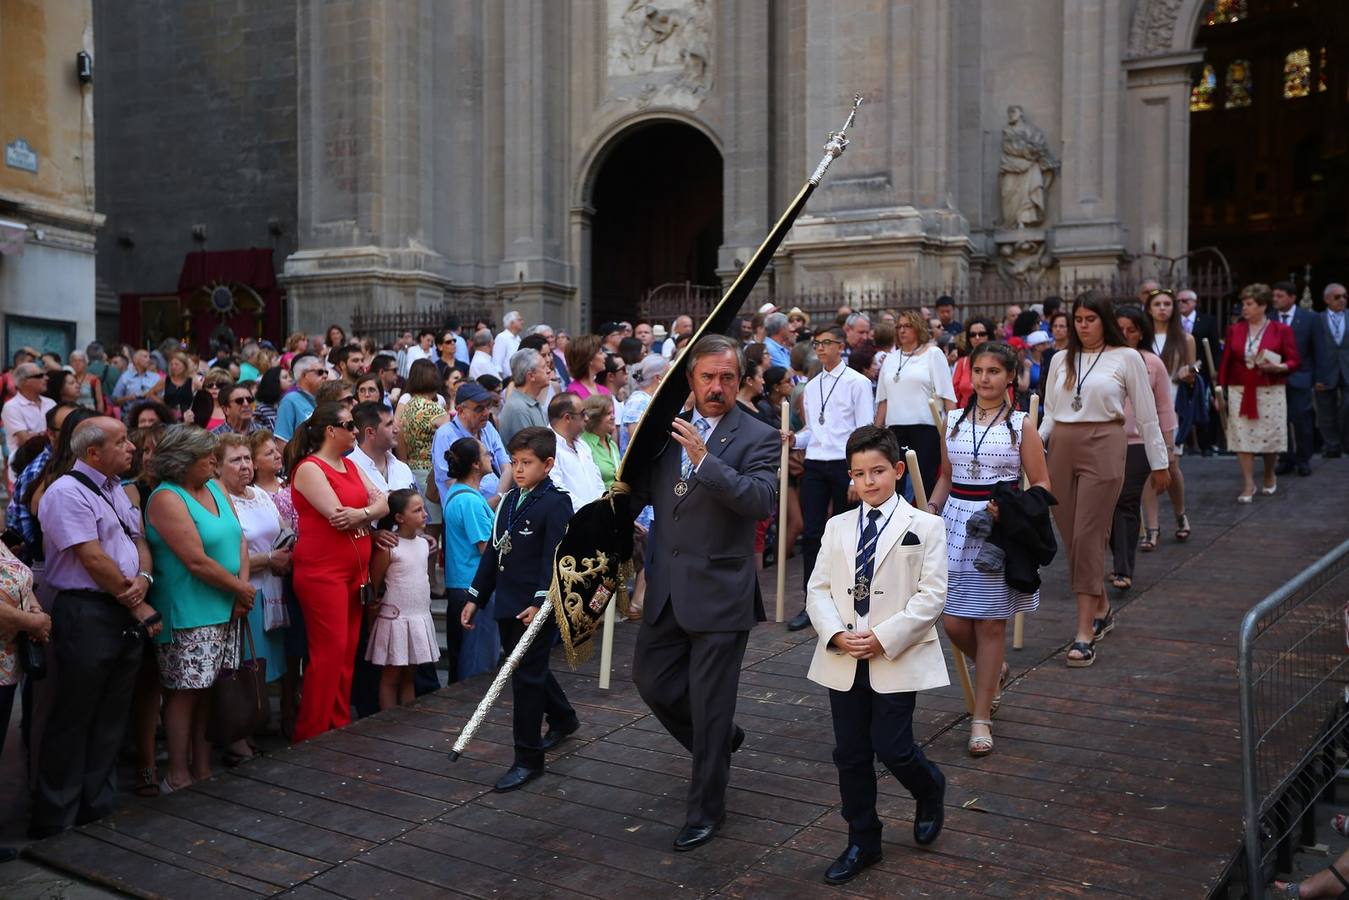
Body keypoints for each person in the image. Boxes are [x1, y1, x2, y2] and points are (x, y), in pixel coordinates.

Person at [629, 335, 780, 851]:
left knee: (711, 705)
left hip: (720, 591)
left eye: (727, 378)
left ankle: (705, 811)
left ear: (740, 381)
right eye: (707, 377)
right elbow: (638, 494)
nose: (717, 387)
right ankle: (719, 742)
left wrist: (704, 459)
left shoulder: (758, 434)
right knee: (650, 680)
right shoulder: (663, 430)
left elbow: (761, 501)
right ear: (689, 382)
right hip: (667, 589)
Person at [805, 425, 948, 884]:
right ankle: (862, 840)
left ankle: (929, 785)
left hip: (893, 653)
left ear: (898, 470)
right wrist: (834, 634)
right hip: (844, 655)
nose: (869, 482)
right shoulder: (837, 526)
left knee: (893, 747)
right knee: (850, 752)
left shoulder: (924, 526)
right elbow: (818, 589)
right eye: (860, 473)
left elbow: (931, 596)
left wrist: (884, 637)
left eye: (879, 471)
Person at [29, 417, 159, 836]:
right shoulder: (66, 492)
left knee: (110, 714)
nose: (131, 448)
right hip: (87, 610)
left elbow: (136, 540)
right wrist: (135, 600)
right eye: (121, 442)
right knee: (76, 713)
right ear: (92, 453)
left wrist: (144, 580)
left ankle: (97, 804)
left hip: (121, 606)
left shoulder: (116, 488)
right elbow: (91, 556)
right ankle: (57, 815)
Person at [929, 342, 1051, 755]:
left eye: (994, 371)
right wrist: (929, 510)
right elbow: (946, 475)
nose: (985, 378)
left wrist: (1011, 508)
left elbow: (1043, 485)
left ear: (1010, 377)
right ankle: (994, 667)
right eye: (978, 370)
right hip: (955, 525)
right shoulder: (952, 421)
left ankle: (980, 718)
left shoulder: (1022, 425)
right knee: (953, 622)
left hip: (1000, 529)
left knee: (991, 624)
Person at [1039, 293, 1169, 668]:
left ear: (1104, 320)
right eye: (1077, 318)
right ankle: (1102, 605)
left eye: (1090, 318)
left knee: (1089, 534)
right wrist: (1032, 448)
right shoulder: (1060, 358)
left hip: (1106, 440)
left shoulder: (1126, 357)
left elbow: (1146, 415)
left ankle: (1084, 631)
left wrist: (1159, 462)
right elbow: (1049, 413)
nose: (1082, 325)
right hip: (1062, 443)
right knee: (1069, 532)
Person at [462, 427, 577, 792]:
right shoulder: (510, 500)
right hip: (508, 604)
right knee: (527, 667)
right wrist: (475, 597)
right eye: (514, 462)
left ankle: (527, 759)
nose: (519, 469)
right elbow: (496, 551)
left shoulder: (556, 502)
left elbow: (556, 559)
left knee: (525, 680)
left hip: (535, 606)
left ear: (547, 464)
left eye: (527, 462)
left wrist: (540, 603)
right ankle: (563, 716)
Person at [143, 427, 252, 792]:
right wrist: (241, 589)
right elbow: (195, 560)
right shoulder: (165, 498)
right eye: (206, 455)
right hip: (188, 610)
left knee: (209, 690)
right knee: (184, 691)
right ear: (182, 460)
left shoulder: (215, 489)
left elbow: (239, 540)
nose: (213, 460)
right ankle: (177, 773)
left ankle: (203, 766)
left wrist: (241, 591)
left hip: (225, 606)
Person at [287, 403, 389, 742]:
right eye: (349, 425)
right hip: (322, 572)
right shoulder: (309, 468)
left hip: (353, 572)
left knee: (347, 652)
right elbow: (336, 515)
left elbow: (385, 501)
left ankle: (337, 723)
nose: (356, 431)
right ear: (331, 430)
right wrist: (367, 512)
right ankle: (311, 731)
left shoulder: (349, 464)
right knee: (328, 654)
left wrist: (362, 513)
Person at [787, 326, 874, 632]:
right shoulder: (812, 386)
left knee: (847, 535)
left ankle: (846, 599)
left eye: (826, 343)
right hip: (815, 464)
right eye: (817, 344)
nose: (820, 349)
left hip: (843, 465)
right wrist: (794, 440)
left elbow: (864, 431)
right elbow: (814, 430)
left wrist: (856, 476)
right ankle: (812, 602)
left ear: (840, 347)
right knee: (812, 534)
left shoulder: (858, 383)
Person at [215, 433, 290, 764]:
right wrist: (270, 559)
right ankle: (237, 736)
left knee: (267, 665)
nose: (244, 465)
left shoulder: (260, 493)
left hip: (274, 590)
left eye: (247, 458)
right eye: (236, 460)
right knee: (245, 666)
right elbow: (228, 554)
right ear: (217, 466)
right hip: (247, 591)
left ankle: (256, 723)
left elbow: (281, 529)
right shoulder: (217, 499)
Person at [1106, 307, 1177, 590]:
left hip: (1138, 442)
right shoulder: (1103, 362)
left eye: (1131, 330)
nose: (1125, 335)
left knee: (1126, 499)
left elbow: (1164, 408)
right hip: (1105, 442)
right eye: (1119, 329)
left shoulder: (1152, 363)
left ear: (1141, 332)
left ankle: (1124, 568)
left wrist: (1167, 450)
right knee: (1108, 503)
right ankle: (1118, 558)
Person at [1218, 283, 1300, 502]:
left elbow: (1294, 360)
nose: (1244, 308)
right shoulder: (1235, 329)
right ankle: (1248, 484)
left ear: (1263, 306)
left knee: (1269, 436)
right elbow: (1225, 361)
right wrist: (1220, 391)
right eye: (1243, 304)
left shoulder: (1281, 330)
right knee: (1242, 436)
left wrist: (1279, 367)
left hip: (1270, 389)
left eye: (1249, 304)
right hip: (1240, 389)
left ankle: (1268, 472)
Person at [367, 489, 439, 710]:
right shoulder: (390, 546)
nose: (424, 514)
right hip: (395, 620)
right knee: (391, 677)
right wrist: (371, 622)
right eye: (417, 510)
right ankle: (389, 720)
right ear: (399, 517)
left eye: (423, 509)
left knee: (410, 676)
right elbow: (375, 585)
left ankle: (407, 722)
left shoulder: (424, 543)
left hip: (418, 617)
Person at [875, 310, 956, 498]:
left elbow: (948, 398)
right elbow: (883, 401)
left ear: (918, 328)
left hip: (926, 429)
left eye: (907, 326)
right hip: (895, 429)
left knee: (924, 484)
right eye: (899, 327)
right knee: (895, 484)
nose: (902, 330)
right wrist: (875, 434)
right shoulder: (890, 359)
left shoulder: (933, 354)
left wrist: (952, 433)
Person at [441, 438, 498, 682]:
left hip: (460, 585)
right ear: (475, 464)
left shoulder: (457, 493)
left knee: (463, 656)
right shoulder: (471, 501)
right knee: (477, 662)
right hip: (474, 587)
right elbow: (488, 549)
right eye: (486, 454)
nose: (491, 458)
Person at [1142, 289, 1196, 547]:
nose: (1162, 308)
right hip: (1142, 406)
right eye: (1157, 304)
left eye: (1167, 304)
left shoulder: (1185, 339)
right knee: (1146, 469)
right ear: (1149, 308)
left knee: (1171, 465)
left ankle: (1180, 514)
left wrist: (1190, 373)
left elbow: (1193, 374)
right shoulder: (1140, 339)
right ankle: (1152, 528)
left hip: (1171, 406)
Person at [1272, 281, 1320, 477]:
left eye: (1280, 296)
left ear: (1292, 297)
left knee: (1301, 420)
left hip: (1301, 376)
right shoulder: (1269, 318)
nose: (1275, 299)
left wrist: (1319, 377)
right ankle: (1286, 458)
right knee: (1279, 420)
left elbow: (1318, 349)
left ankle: (1303, 459)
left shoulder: (1309, 318)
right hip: (1274, 378)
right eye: (1274, 296)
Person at [432, 382, 509, 502]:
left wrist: (498, 498)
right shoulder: (445, 435)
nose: (486, 413)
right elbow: (452, 482)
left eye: (487, 407)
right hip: (468, 511)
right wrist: (486, 507)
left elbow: (507, 468)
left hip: (495, 506)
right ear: (460, 411)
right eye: (479, 409)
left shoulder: (488, 427)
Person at [547, 392, 605, 511]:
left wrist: (604, 510)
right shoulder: (547, 447)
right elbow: (558, 491)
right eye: (583, 414)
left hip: (595, 520)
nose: (587, 418)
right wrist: (591, 513)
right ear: (567, 418)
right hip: (570, 523)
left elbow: (598, 483)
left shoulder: (583, 445)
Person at [1316, 283, 1349, 457]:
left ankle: (1345, 442)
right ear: (1327, 299)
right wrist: (1315, 375)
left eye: (1344, 296)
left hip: (1348, 369)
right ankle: (1332, 446)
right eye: (1337, 297)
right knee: (1325, 410)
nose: (1342, 300)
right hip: (1326, 370)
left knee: (1347, 406)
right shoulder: (1317, 319)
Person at [3, 363, 55, 463]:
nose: (46, 378)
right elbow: (25, 440)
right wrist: (52, 434)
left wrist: (36, 434)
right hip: (23, 467)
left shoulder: (51, 403)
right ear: (25, 381)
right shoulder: (11, 407)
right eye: (40, 376)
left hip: (51, 464)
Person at [499, 348, 551, 444]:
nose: (549, 370)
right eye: (544, 367)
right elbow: (530, 452)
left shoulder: (529, 402)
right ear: (531, 376)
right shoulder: (518, 409)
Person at [273, 354, 324, 445]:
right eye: (320, 372)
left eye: (326, 372)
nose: (324, 376)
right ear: (305, 375)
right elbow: (282, 441)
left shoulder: (324, 399)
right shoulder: (290, 400)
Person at [579, 393, 621, 490]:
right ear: (594, 418)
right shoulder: (583, 445)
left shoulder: (611, 443)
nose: (613, 417)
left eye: (613, 413)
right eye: (608, 414)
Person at [952, 319, 995, 407]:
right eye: (972, 335)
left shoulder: (1000, 361)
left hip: (995, 416)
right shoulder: (962, 362)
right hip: (965, 416)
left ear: (989, 336)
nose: (977, 338)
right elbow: (954, 395)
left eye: (982, 334)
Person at [252, 365, 289, 432]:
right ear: (274, 381)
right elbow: (257, 434)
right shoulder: (261, 409)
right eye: (285, 377)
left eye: (289, 376)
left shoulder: (289, 403)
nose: (290, 379)